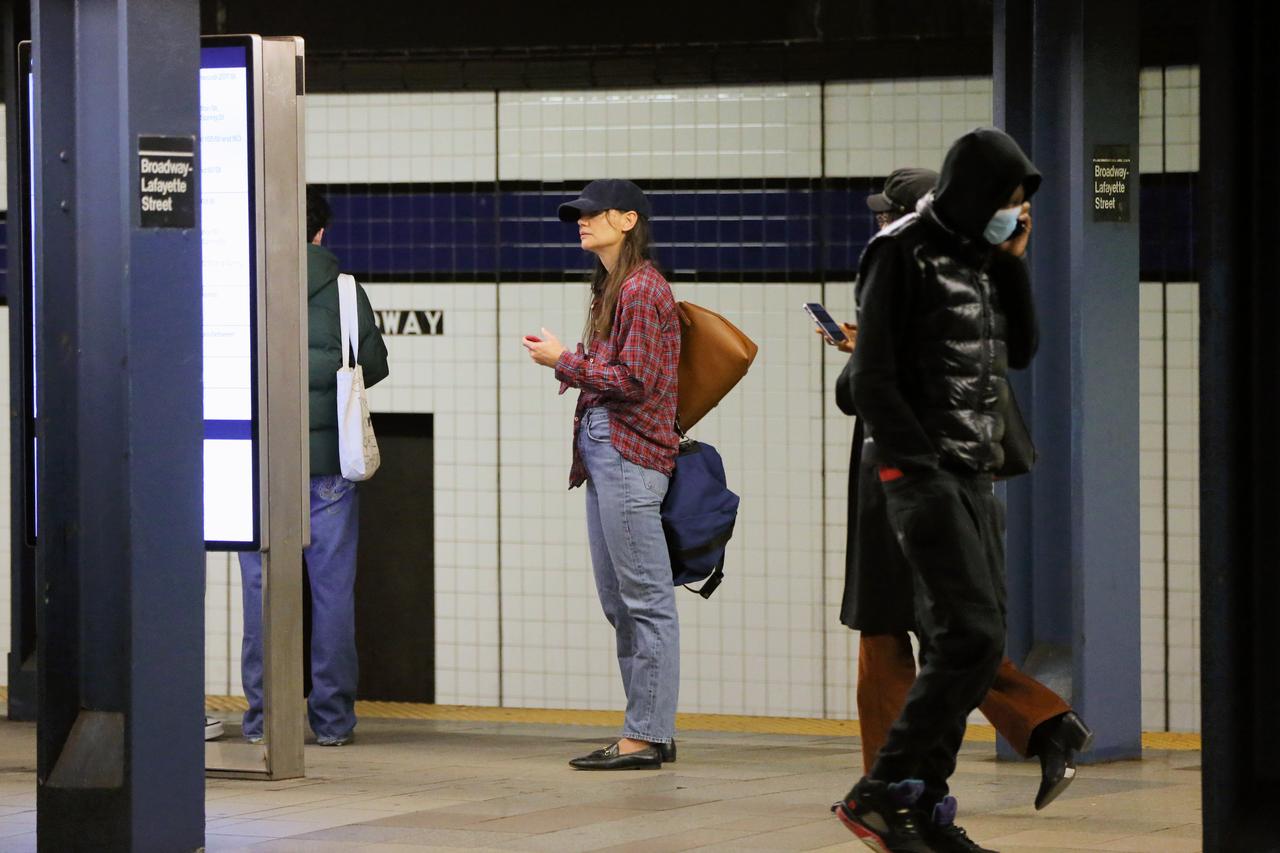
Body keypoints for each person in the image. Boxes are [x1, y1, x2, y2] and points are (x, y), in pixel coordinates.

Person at [830, 167, 1093, 815]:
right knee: (944, 633)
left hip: (905, 491)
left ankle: (896, 791)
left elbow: (854, 393)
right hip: (951, 486)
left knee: (888, 644)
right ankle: (1042, 723)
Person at [523, 179, 681, 770]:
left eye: (593, 213)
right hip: (606, 454)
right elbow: (618, 368)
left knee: (644, 601)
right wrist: (573, 361)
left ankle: (645, 734)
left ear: (628, 219)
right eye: (579, 215)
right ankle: (649, 726)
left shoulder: (642, 288)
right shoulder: (612, 285)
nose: (582, 222)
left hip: (631, 456)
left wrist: (562, 361)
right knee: (621, 602)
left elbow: (635, 380)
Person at [237, 188, 389, 747]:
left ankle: (263, 720)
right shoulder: (348, 293)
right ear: (320, 234)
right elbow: (372, 366)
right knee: (331, 596)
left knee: (261, 594)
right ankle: (331, 722)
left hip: (260, 467)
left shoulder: (246, 284)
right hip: (330, 471)